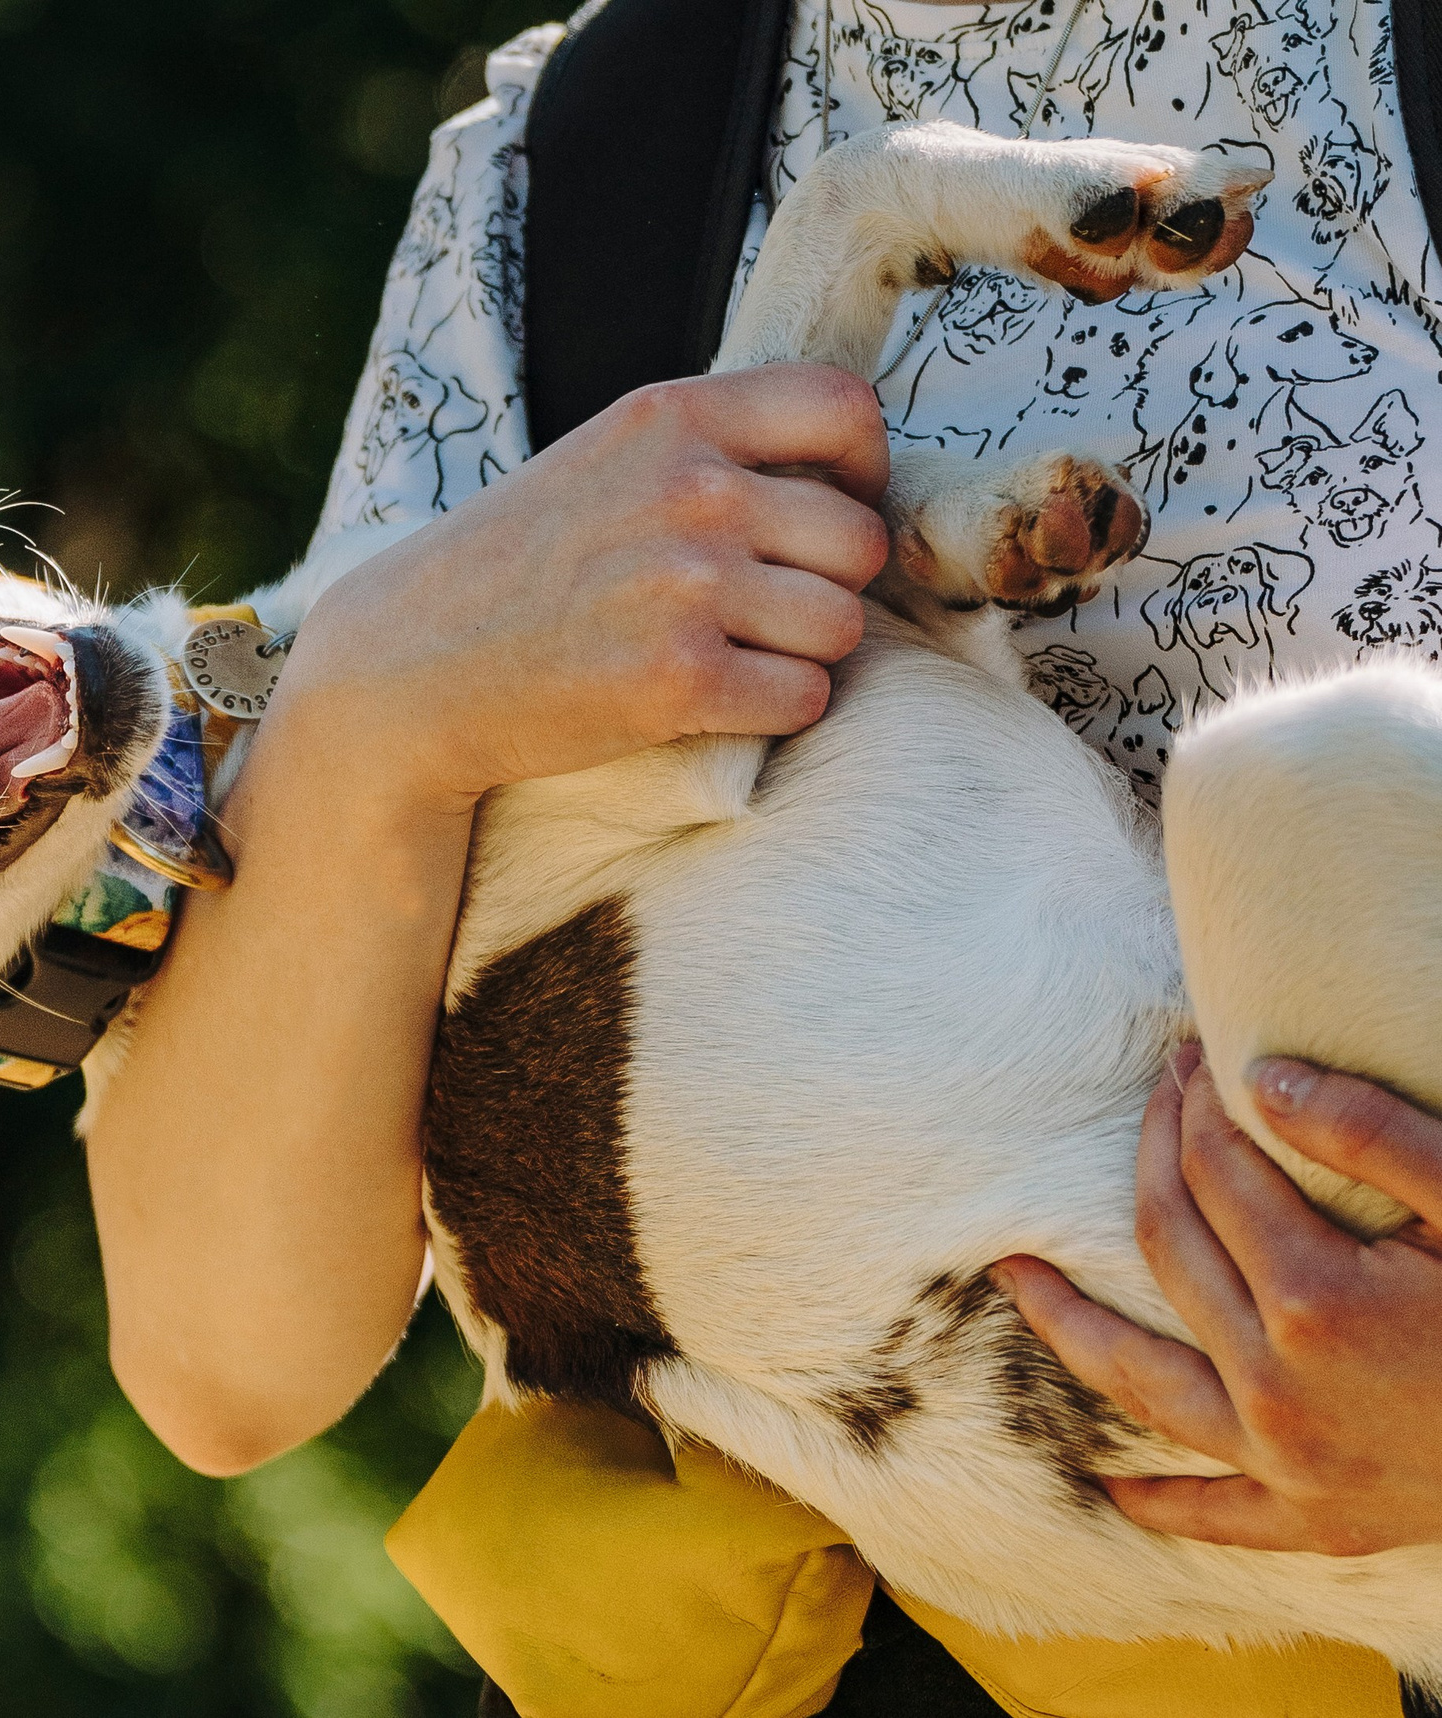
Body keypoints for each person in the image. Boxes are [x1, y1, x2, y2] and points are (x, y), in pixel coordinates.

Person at [81, 1, 1442, 1711]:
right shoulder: (577, 165)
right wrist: (367, 710)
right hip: (865, 1652)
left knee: (1304, 792)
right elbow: (224, 1369)